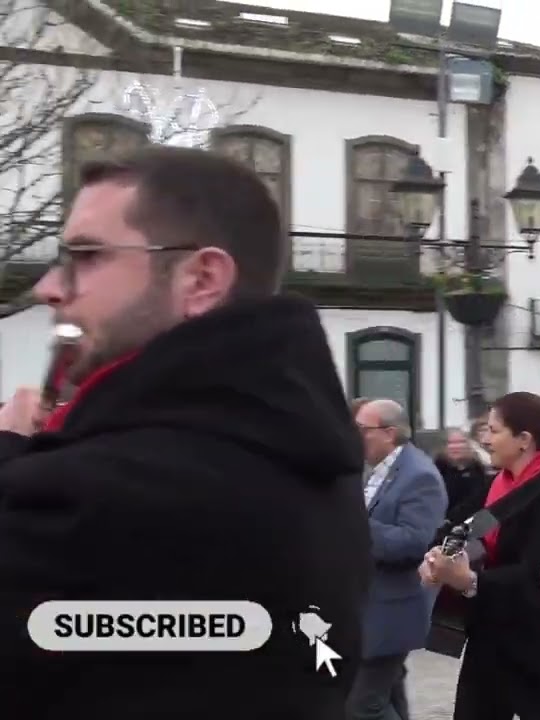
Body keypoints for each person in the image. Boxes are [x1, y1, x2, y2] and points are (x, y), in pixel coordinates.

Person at [0, 146, 370, 718]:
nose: (51, 287)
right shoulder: (306, 454)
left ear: (201, 278)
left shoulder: (97, 492)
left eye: (88, 255)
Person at [421, 392, 540, 720]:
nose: (485, 439)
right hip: (489, 639)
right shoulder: (500, 485)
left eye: (493, 431)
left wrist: (469, 580)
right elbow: (459, 527)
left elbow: (537, 572)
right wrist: (438, 558)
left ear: (524, 440)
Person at [351, 399, 446, 720]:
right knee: (386, 695)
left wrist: (352, 522)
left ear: (389, 433)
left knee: (361, 706)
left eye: (362, 429)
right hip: (369, 609)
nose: (355, 435)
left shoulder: (419, 475)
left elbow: (412, 542)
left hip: (390, 611)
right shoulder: (377, 468)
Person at [436, 426, 492, 531]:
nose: (456, 447)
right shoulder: (437, 470)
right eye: (451, 443)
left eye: (461, 442)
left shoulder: (477, 470)